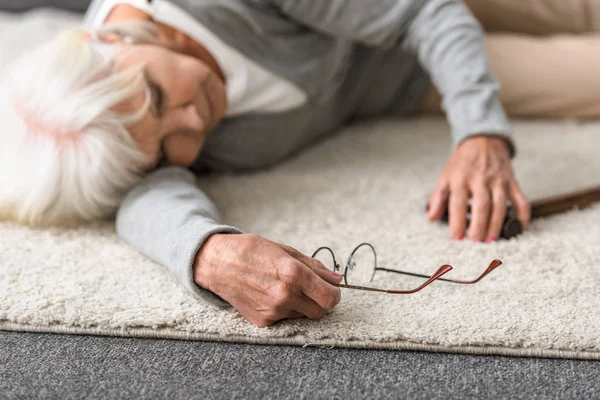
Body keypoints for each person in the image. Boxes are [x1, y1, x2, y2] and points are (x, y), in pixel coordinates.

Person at [0, 0, 598, 327]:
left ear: (122, 39)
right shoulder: (126, 135)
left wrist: (480, 135)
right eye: (161, 147)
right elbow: (145, 202)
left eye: (158, 95)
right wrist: (206, 252)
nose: (191, 122)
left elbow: (428, 15)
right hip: (405, 81)